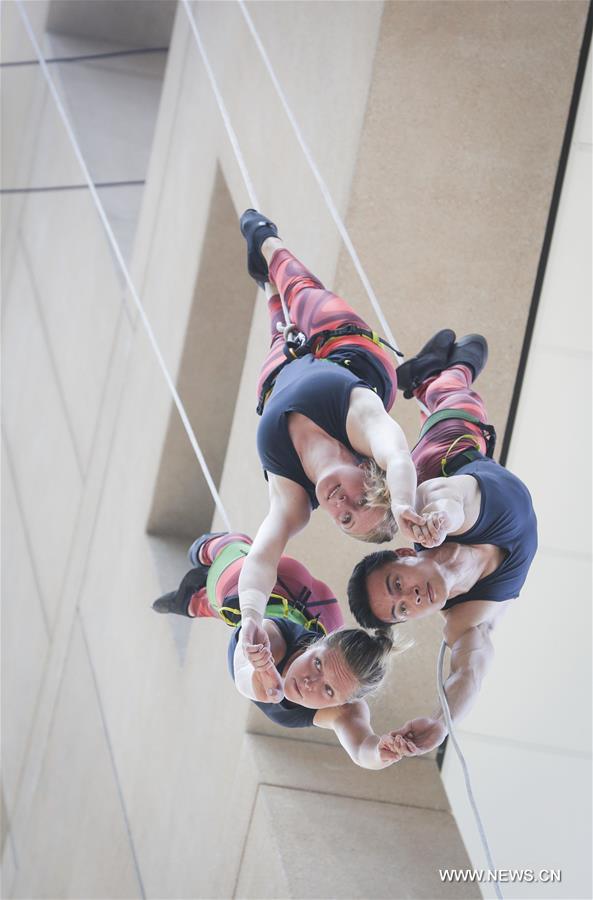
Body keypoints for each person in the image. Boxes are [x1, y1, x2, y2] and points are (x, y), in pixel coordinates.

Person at [237, 208, 423, 677]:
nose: (342, 504)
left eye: (344, 517)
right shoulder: (364, 425)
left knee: (278, 315)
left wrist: (251, 617)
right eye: (361, 500)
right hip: (346, 349)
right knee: (299, 288)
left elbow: (261, 557)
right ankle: (268, 242)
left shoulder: (294, 501)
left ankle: (267, 287)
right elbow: (399, 455)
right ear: (368, 471)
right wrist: (404, 503)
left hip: (279, 376)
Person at [347, 330, 538, 757]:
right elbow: (470, 672)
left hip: (447, 457)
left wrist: (439, 522)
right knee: (454, 392)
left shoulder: (428, 507)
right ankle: (427, 378)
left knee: (457, 393)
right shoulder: (465, 620)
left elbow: (456, 502)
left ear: (404, 555)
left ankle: (440, 377)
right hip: (482, 478)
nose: (411, 598)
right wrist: (440, 722)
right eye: (401, 610)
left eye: (397, 584)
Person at [152, 532, 406, 770]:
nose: (309, 683)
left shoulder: (346, 709)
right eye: (317, 664)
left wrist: (383, 753)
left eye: (328, 690)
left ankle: (198, 602)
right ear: (315, 645)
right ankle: (222, 546)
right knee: (229, 591)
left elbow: (362, 748)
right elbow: (243, 669)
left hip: (315, 621)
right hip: (287, 587)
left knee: (222, 607)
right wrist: (260, 670)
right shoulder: (273, 639)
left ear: (343, 703)